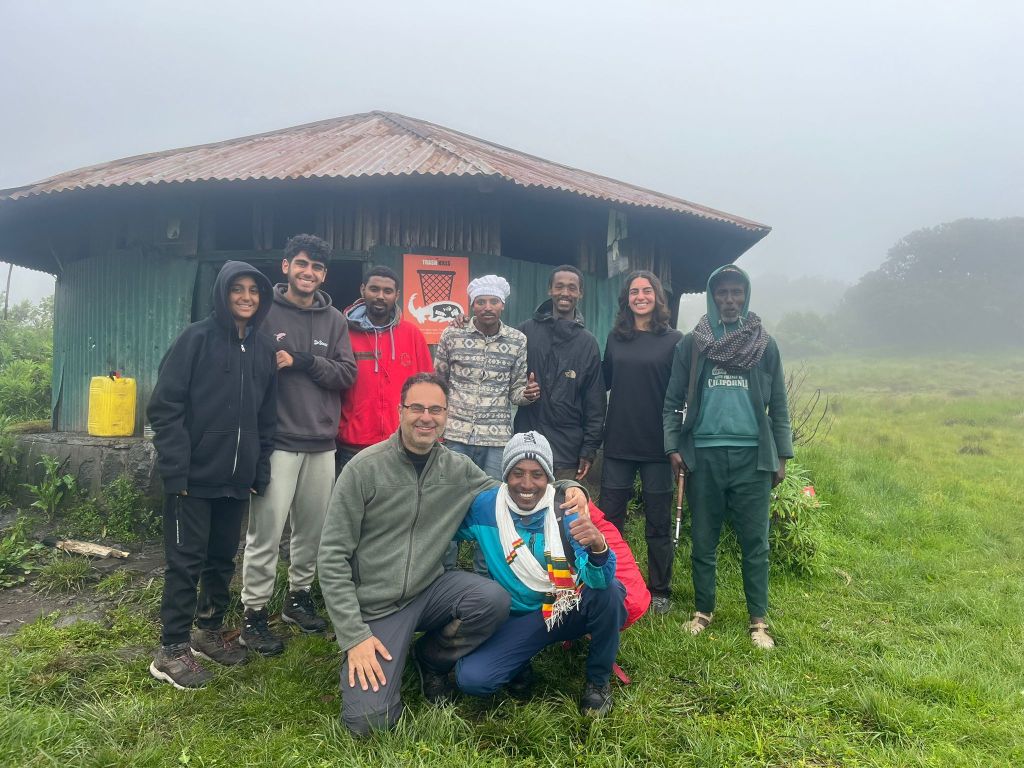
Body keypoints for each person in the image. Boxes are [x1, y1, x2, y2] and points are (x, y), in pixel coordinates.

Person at [317, 373, 590, 736]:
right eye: (416, 408)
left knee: (492, 599)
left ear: (447, 415)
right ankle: (377, 653)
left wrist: (568, 486)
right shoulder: (364, 469)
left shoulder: (456, 468)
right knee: (369, 724)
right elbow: (331, 556)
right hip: (378, 606)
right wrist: (354, 636)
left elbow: (514, 490)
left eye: (436, 409)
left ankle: (431, 656)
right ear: (400, 411)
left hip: (430, 590)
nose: (426, 417)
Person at [147, 261, 277, 689]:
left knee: (222, 559)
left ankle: (207, 631)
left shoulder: (262, 349)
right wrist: (176, 469)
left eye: (254, 290)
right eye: (237, 288)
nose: (246, 297)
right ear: (222, 293)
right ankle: (171, 650)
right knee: (185, 563)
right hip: (193, 477)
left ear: (262, 298)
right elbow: (165, 407)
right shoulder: (195, 339)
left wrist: (258, 468)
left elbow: (267, 416)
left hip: (236, 479)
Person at [663, 265, 793, 649]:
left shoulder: (764, 345)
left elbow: (779, 406)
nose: (730, 300)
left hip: (752, 457)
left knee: (756, 542)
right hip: (704, 455)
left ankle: (758, 621)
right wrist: (673, 446)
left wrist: (782, 456)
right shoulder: (693, 344)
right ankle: (703, 610)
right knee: (704, 539)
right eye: (723, 293)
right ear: (712, 296)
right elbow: (672, 402)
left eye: (737, 292)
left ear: (746, 295)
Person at [453, 432, 628, 716]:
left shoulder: (566, 509)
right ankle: (519, 662)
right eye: (517, 473)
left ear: (548, 477)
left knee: (610, 592)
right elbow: (445, 529)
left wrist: (598, 547)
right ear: (505, 474)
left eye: (537, 474)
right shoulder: (485, 508)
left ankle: (598, 681)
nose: (526, 484)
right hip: (516, 615)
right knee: (473, 679)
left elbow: (599, 580)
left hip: (565, 606)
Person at [239, 234, 356, 655]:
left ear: (324, 275)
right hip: (277, 441)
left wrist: (301, 361)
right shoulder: (264, 311)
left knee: (312, 531)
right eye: (302, 264)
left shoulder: (335, 320)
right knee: (266, 532)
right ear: (286, 266)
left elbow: (347, 374)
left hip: (322, 441)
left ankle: (298, 598)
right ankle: (253, 614)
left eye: (317, 267)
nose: (309, 272)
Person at [600, 270, 682, 615]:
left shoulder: (674, 340)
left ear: (657, 297)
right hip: (618, 442)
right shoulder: (616, 338)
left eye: (647, 291)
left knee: (658, 522)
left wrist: (680, 441)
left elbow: (682, 394)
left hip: (658, 447)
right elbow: (600, 382)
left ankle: (659, 590)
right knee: (610, 520)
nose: (640, 297)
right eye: (634, 292)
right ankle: (610, 583)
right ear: (627, 300)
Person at [434, 274, 537, 479]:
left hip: (496, 439)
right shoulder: (452, 335)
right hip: (456, 435)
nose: (487, 307)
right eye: (481, 302)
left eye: (494, 301)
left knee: (492, 493)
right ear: (473, 305)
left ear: (502, 305)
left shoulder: (517, 340)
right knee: (454, 491)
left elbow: (515, 392)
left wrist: (528, 394)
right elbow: (438, 383)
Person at [335, 265, 432, 475]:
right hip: (354, 444)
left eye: (387, 291)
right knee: (354, 497)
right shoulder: (343, 332)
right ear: (363, 290)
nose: (380, 296)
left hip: (402, 443)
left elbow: (429, 389)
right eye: (374, 289)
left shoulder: (412, 335)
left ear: (396, 295)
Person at [513, 265, 605, 481]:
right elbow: (498, 348)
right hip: (527, 443)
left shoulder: (587, 343)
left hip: (567, 449)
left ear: (580, 293)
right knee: (524, 500)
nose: (565, 293)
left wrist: (589, 448)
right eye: (559, 286)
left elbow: (595, 401)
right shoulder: (525, 332)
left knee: (563, 502)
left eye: (572, 288)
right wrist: (466, 323)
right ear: (550, 290)